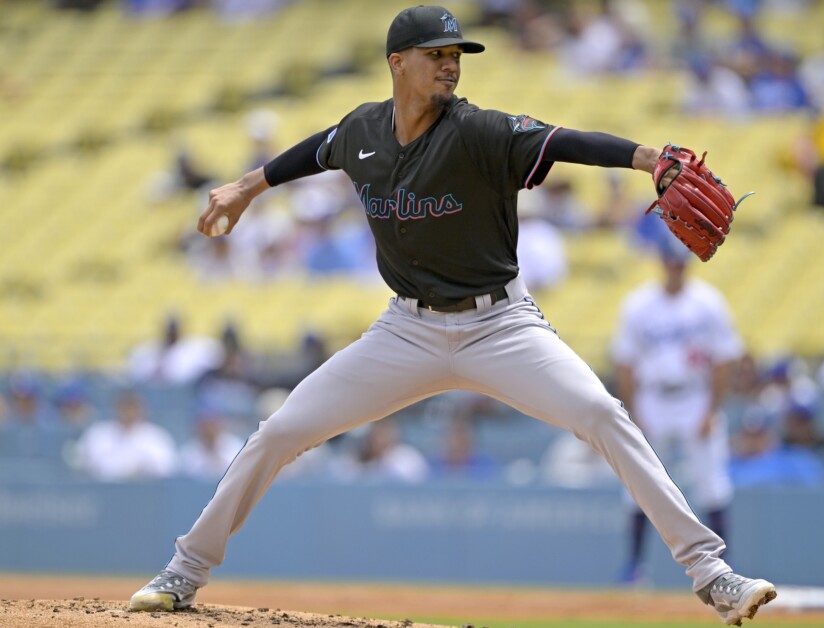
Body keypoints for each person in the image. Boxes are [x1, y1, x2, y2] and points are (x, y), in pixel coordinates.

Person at [129, 7, 775, 624]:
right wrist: (245, 187)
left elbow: (567, 141)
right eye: (436, 55)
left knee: (603, 413)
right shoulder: (362, 133)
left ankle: (712, 573)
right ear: (397, 62)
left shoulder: (478, 132)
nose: (450, 65)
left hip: (501, 326)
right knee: (278, 432)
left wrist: (649, 159)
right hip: (405, 331)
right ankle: (183, 572)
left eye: (456, 55)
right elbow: (313, 151)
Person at [611, 237, 742, 588]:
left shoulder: (708, 302)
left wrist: (712, 410)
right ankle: (635, 568)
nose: (675, 268)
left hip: (695, 396)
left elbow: (725, 359)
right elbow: (625, 362)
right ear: (661, 262)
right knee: (639, 482)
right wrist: (636, 411)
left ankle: (723, 572)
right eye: (670, 261)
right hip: (652, 398)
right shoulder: (639, 304)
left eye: (680, 262)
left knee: (712, 484)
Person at [73, 391, 177, 482]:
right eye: (125, 407)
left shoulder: (157, 437)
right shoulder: (97, 434)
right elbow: (80, 465)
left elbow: (167, 470)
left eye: (133, 407)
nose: (128, 412)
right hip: (104, 494)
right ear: (116, 408)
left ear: (142, 409)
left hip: (145, 496)